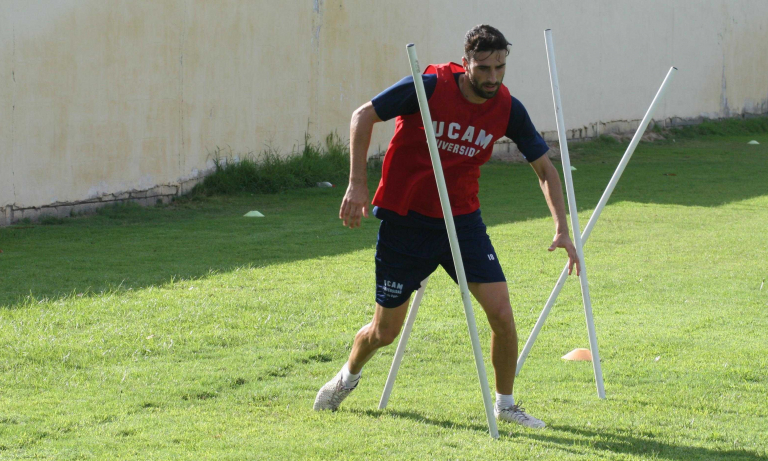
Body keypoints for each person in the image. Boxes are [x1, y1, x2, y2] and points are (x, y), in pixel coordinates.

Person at [313, 24, 579, 429]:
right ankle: (346, 377)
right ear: (466, 62)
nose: (493, 78)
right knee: (384, 331)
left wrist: (562, 227)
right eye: (485, 68)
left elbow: (544, 167)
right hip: (406, 222)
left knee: (502, 314)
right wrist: (356, 184)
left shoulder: (507, 107)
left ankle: (505, 405)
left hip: (462, 223)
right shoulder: (430, 86)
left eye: (500, 68)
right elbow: (363, 116)